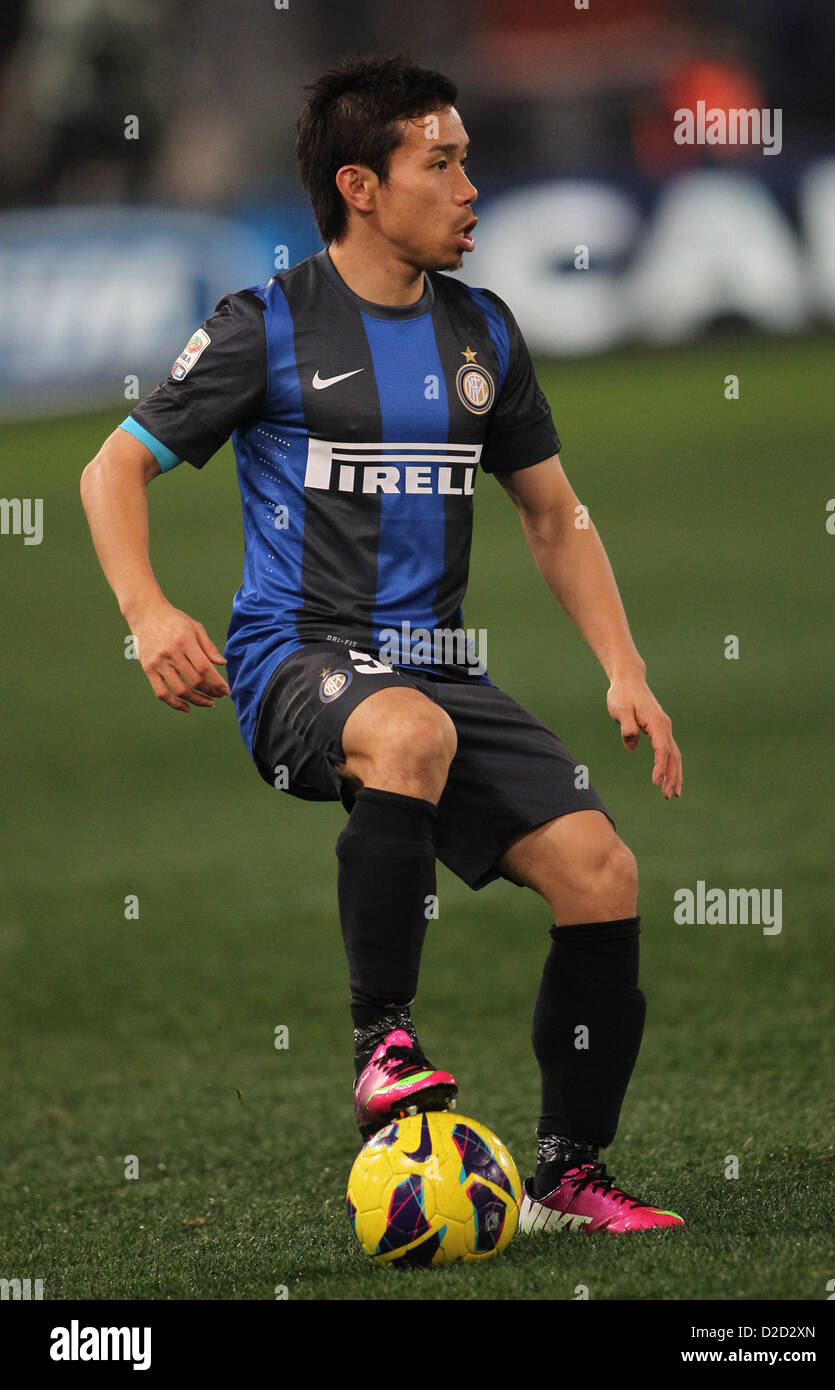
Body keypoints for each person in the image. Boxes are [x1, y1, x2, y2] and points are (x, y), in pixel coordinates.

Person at [80, 54, 684, 1237]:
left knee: (599, 870)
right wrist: (150, 614)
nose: (470, 188)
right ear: (361, 184)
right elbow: (113, 467)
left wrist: (627, 667)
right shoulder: (265, 325)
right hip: (294, 657)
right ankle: (381, 1044)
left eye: (465, 161)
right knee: (406, 730)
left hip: (438, 664)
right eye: (442, 163)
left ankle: (567, 1172)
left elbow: (553, 516)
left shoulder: (481, 332)